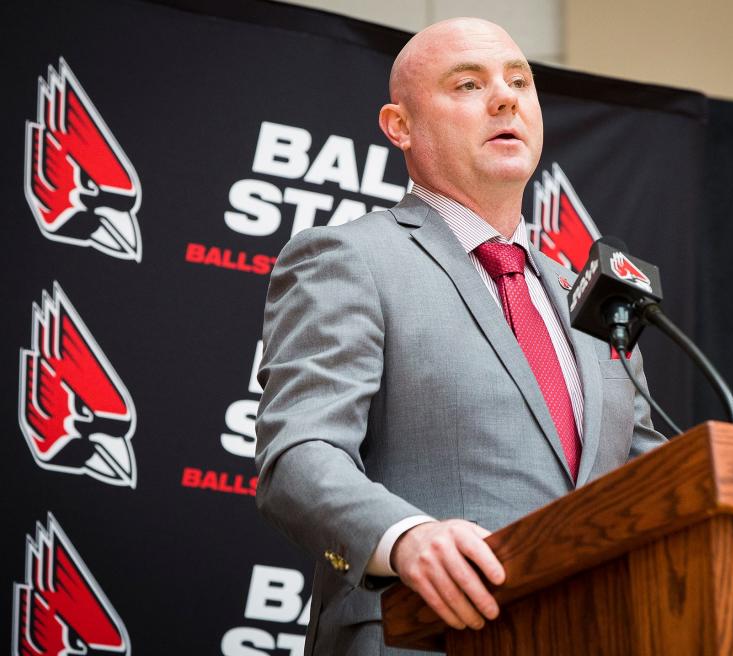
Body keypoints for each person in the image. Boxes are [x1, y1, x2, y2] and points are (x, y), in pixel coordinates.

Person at [255, 17, 665, 656]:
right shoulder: (349, 257)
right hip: (426, 635)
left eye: (519, 82)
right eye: (468, 84)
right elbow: (300, 455)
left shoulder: (596, 296)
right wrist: (407, 537)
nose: (505, 98)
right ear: (401, 127)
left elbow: (649, 475)